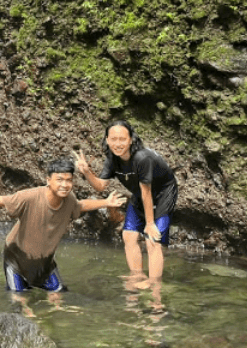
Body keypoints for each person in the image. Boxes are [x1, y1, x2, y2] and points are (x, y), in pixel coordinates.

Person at [0, 159, 125, 297]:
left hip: (45, 263)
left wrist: (106, 202)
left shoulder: (69, 200)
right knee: (21, 303)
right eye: (59, 179)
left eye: (68, 180)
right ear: (48, 180)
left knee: (60, 299)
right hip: (17, 261)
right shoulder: (29, 197)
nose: (64, 184)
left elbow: (80, 206)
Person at [75, 120, 178, 289]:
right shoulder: (112, 159)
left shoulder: (142, 158)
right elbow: (101, 186)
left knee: (152, 239)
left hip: (162, 193)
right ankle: (137, 275)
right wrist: (87, 172)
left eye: (122, 139)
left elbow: (147, 191)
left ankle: (155, 288)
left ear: (131, 140)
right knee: (128, 235)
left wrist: (150, 223)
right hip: (140, 191)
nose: (117, 144)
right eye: (113, 139)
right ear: (107, 140)